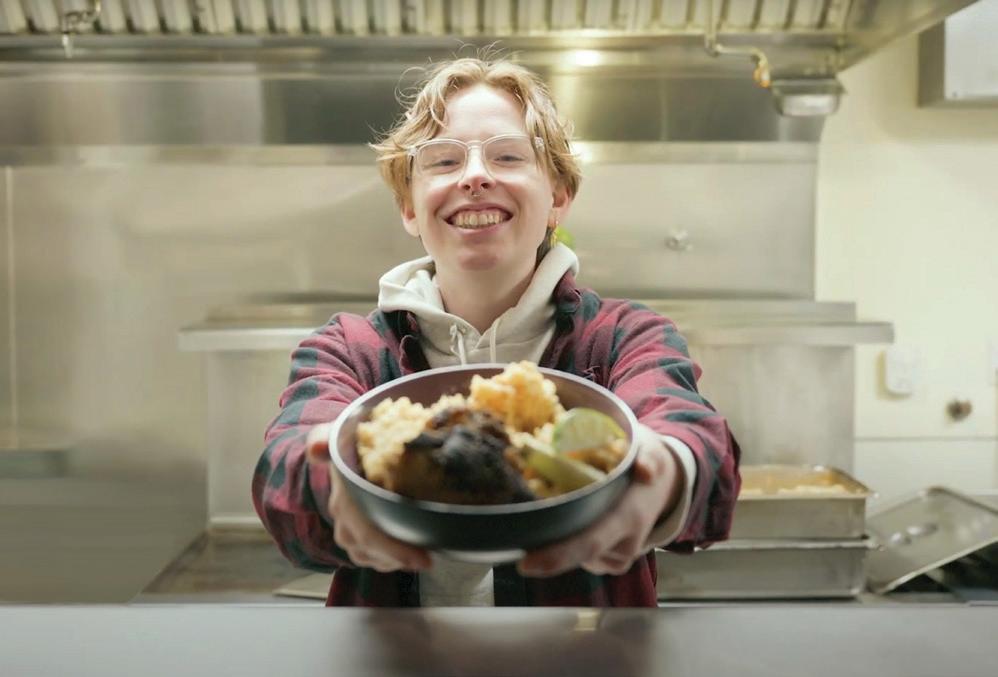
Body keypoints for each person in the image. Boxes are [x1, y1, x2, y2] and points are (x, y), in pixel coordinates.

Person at [252, 56, 740, 607]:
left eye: (508, 156)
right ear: (409, 207)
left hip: (589, 649)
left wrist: (665, 468)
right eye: (443, 160)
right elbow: (284, 473)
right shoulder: (348, 351)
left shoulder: (625, 338)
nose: (474, 176)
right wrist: (328, 483)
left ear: (558, 196)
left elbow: (698, 445)